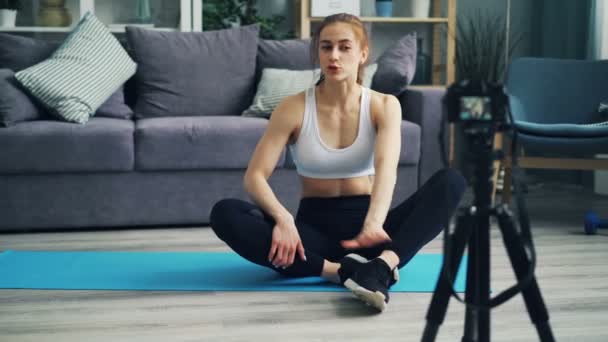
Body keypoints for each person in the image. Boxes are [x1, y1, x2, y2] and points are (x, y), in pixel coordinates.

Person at [210, 13, 467, 312]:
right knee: (225, 213)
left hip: (371, 233)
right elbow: (254, 176)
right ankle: (340, 272)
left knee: (453, 181)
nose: (334, 56)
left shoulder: (384, 105)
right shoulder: (292, 108)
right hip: (312, 237)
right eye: (326, 47)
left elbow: (386, 170)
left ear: (362, 54)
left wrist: (373, 223)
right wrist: (283, 219)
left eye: (344, 47)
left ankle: (382, 266)